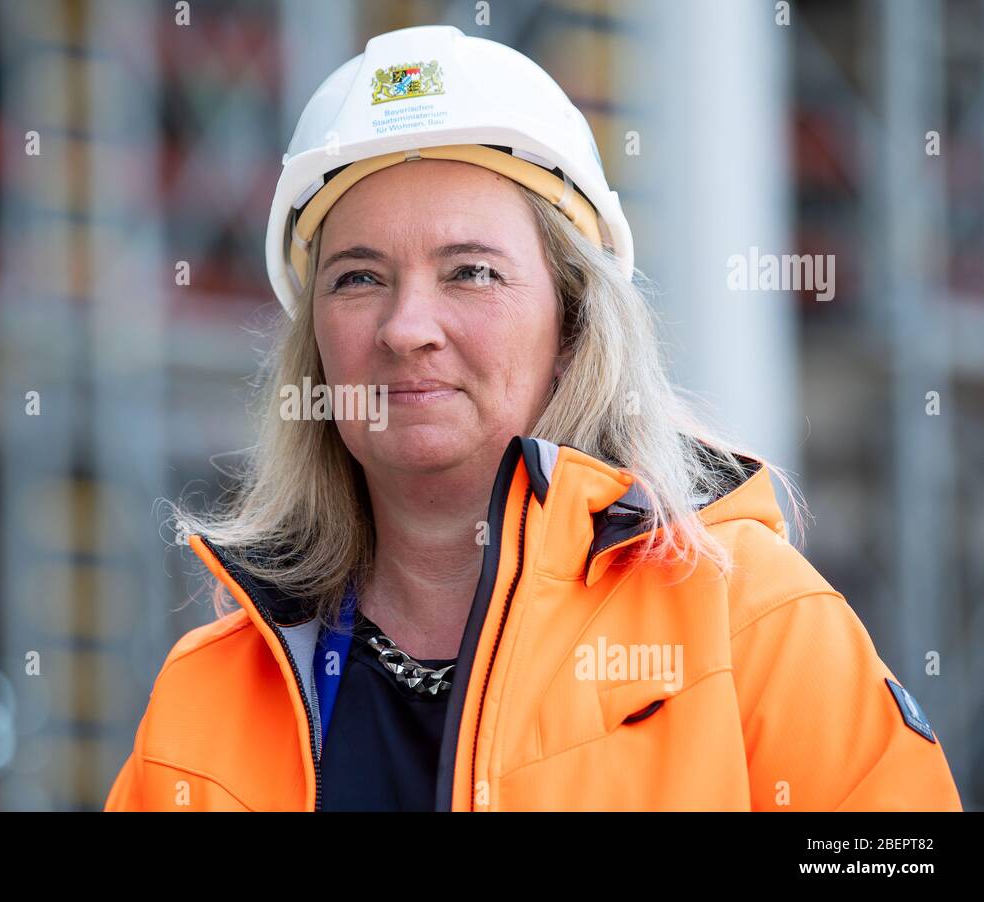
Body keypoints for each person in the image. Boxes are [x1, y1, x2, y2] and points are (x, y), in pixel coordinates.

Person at [103, 24, 963, 811]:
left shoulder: (752, 628)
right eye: (358, 278)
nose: (406, 329)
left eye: (471, 272)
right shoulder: (204, 700)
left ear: (575, 319)